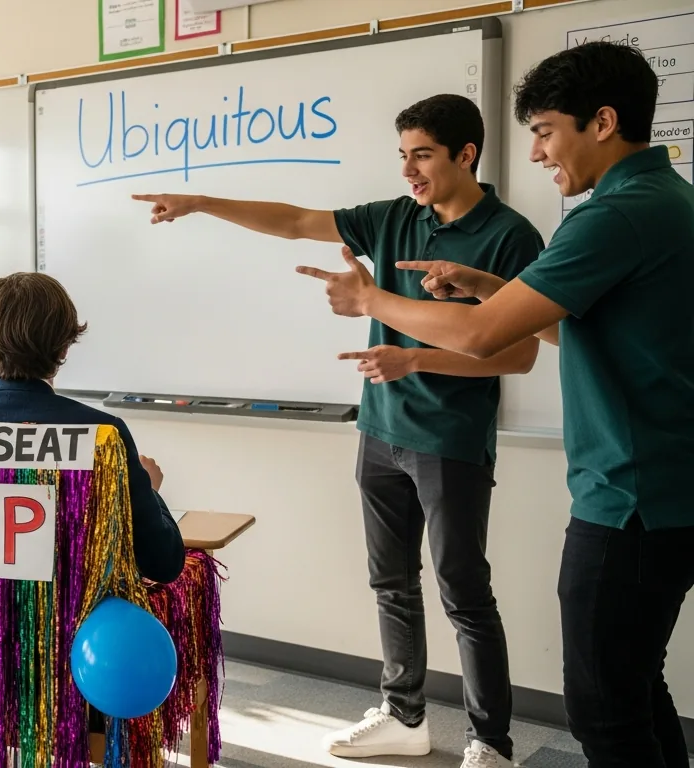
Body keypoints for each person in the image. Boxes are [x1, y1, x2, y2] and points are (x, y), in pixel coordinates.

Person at [305, 42, 694, 767]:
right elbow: (568, 327)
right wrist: (488, 287)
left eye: (545, 131)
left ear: (603, 122)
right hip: (657, 488)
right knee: (637, 689)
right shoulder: (667, 199)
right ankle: (406, 712)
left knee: (604, 712)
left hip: (629, 497)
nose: (538, 152)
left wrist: (370, 300)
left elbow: (487, 340)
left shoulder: (615, 215)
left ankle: (489, 738)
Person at [134, 94, 544, 766]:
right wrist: (202, 202)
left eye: (422, 155)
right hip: (380, 431)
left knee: (464, 592)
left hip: (451, 441)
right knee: (391, 584)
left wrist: (417, 359)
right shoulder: (394, 218)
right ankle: (404, 716)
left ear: (466, 154)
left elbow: (521, 353)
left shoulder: (510, 236)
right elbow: (296, 221)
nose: (408, 170)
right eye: (403, 155)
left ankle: (491, 742)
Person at [0, 272, 186, 583]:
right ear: (64, 348)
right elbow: (162, 562)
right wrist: (150, 491)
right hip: (72, 614)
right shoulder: (103, 432)